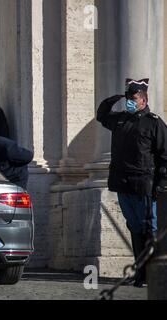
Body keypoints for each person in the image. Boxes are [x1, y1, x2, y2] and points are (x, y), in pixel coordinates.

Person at [96, 78, 167, 287]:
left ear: (143, 101)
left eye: (133, 98)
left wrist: (161, 183)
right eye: (128, 98)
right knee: (134, 228)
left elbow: (165, 155)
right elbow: (101, 115)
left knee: (149, 228)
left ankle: (154, 274)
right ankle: (140, 273)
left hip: (144, 184)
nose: (130, 101)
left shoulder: (154, 123)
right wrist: (116, 97)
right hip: (122, 183)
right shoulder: (120, 120)